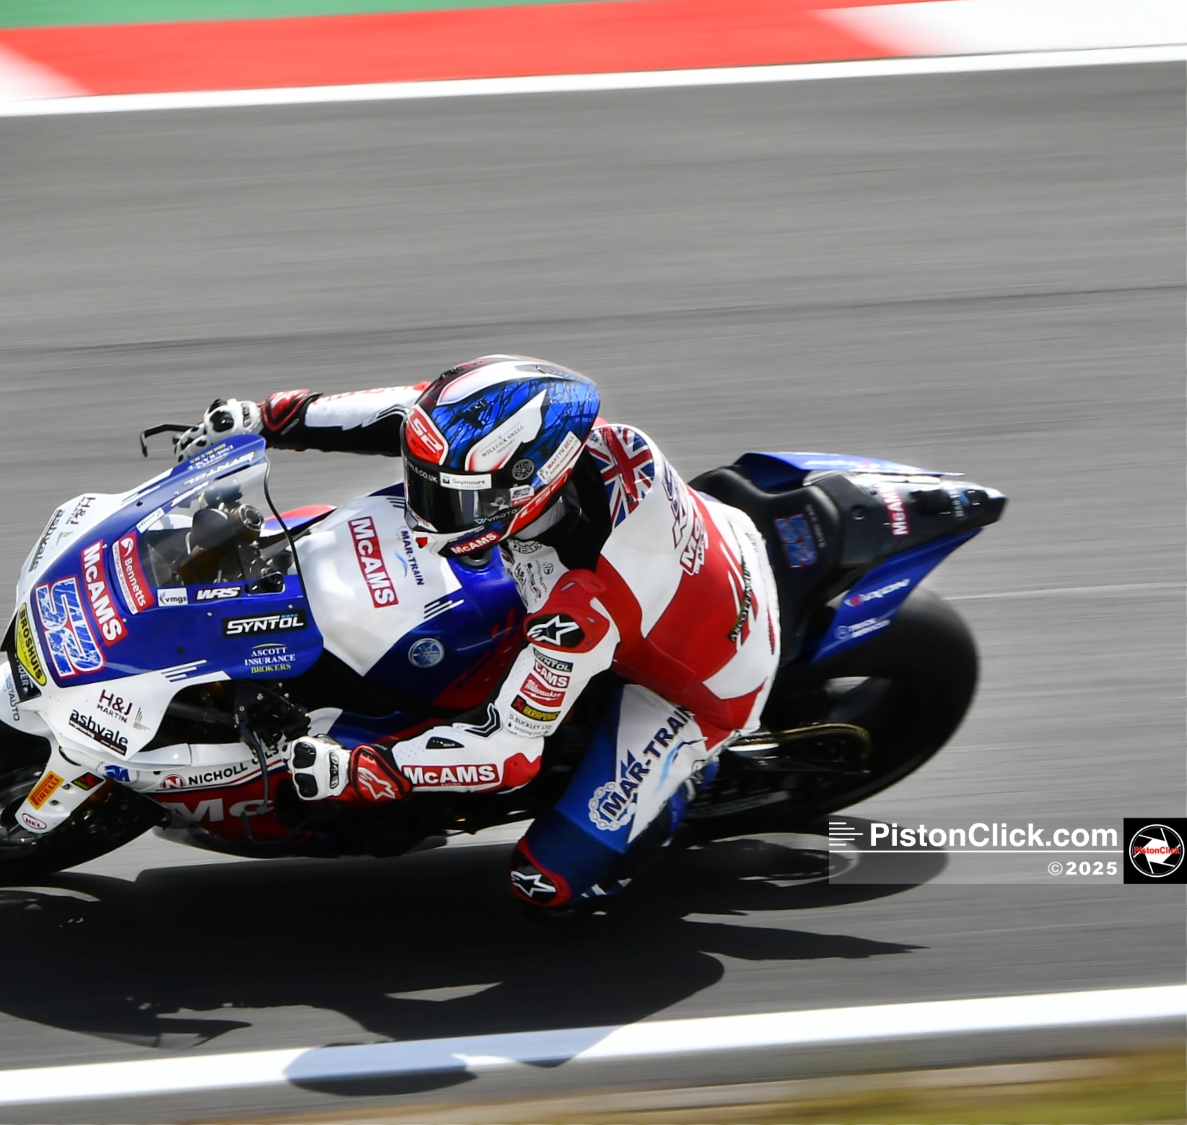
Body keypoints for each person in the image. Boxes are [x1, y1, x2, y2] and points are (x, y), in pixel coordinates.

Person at [172, 356, 780, 916]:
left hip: (703, 686)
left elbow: (511, 752)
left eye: (448, 500)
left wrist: (366, 766)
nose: (425, 510)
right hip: (695, 559)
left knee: (548, 885)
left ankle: (684, 784)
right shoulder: (558, 445)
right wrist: (267, 419)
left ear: (527, 486)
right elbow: (403, 416)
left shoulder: (582, 606)